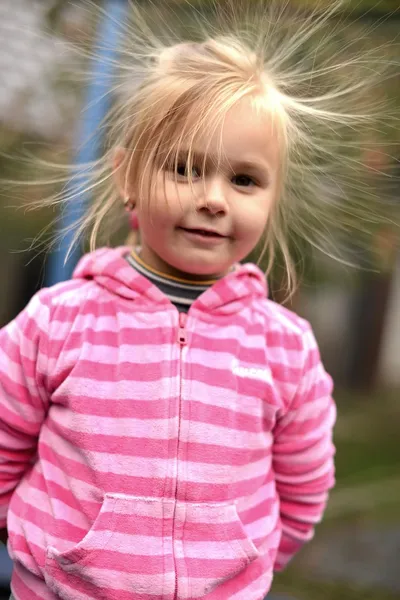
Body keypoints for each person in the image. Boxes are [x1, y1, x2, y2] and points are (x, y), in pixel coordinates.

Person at [2, 0, 389, 597]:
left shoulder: (283, 348)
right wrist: (34, 546)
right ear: (129, 176)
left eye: (244, 180)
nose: (214, 199)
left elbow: (305, 482)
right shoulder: (57, 324)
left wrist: (245, 563)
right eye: (185, 168)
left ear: (271, 196)